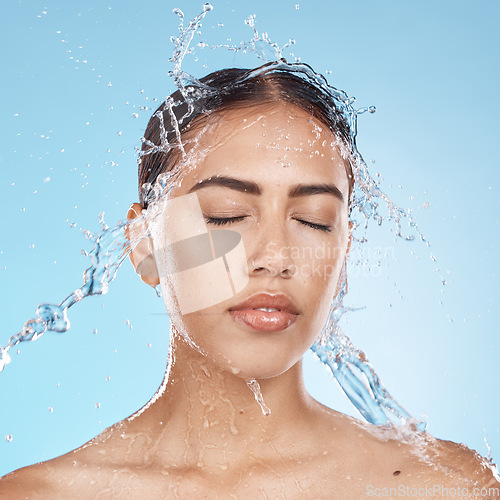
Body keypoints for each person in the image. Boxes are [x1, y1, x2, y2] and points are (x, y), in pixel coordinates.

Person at [1, 62, 498, 499]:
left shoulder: (446, 487)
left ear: (344, 249)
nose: (275, 257)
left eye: (314, 220)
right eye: (226, 215)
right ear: (147, 245)